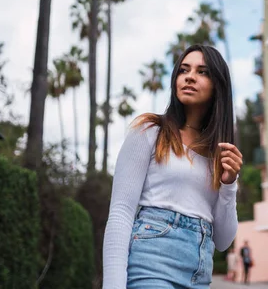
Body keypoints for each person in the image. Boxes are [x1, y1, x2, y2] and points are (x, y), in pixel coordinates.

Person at [102, 45, 243, 289]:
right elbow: (121, 212)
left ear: (218, 85)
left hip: (200, 274)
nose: (189, 76)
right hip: (152, 264)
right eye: (184, 70)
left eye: (202, 72)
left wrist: (229, 184)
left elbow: (223, 240)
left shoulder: (219, 155)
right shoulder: (150, 132)